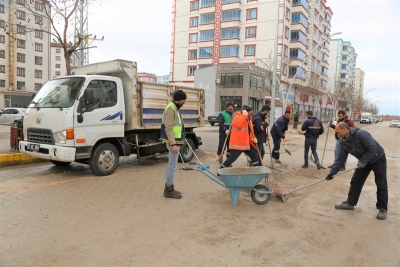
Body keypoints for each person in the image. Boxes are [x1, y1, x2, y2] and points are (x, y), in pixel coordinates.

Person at [325, 122, 388, 220]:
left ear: (345, 129)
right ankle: (350, 203)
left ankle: (382, 208)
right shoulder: (343, 142)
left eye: (338, 132)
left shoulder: (360, 134)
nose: (337, 135)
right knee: (356, 181)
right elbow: (340, 159)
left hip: (377, 158)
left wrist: (363, 161)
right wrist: (332, 172)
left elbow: (373, 149)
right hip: (364, 161)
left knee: (381, 183)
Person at [160, 90, 187, 199]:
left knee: (172, 166)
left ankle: (169, 188)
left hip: (175, 141)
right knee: (172, 166)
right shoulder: (171, 109)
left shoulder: (174, 108)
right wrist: (173, 144)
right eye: (183, 101)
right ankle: (168, 190)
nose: (184, 103)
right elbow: (168, 128)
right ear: (179, 100)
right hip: (173, 142)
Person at [219, 106, 260, 170]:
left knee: (255, 156)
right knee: (231, 159)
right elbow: (238, 125)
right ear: (246, 112)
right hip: (238, 144)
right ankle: (220, 170)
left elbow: (250, 131)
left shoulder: (249, 120)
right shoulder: (237, 116)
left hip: (247, 143)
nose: (252, 116)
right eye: (251, 114)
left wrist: (254, 139)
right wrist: (244, 115)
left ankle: (258, 171)